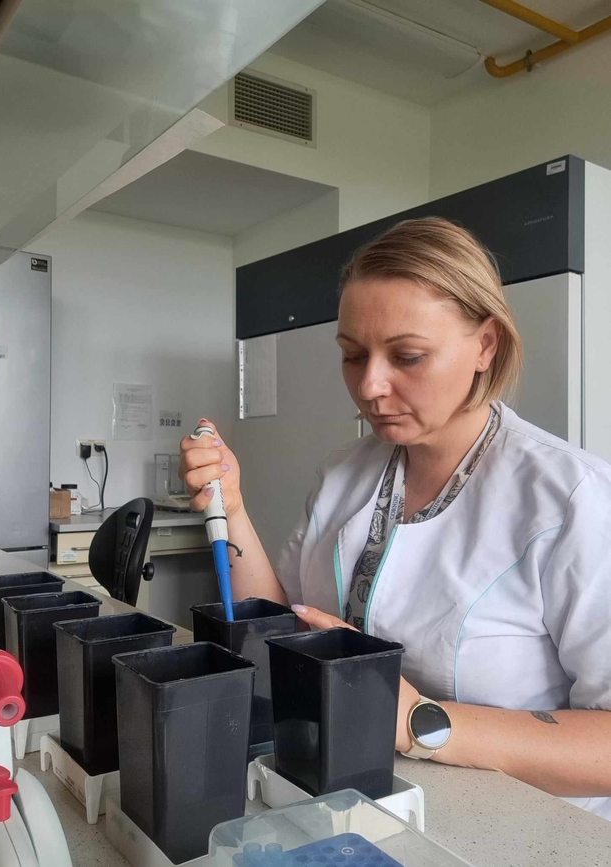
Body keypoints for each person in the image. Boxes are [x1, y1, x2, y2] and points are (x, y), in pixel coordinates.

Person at [180, 217, 611, 819]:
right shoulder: (345, 473)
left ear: (485, 344)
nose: (371, 386)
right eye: (353, 356)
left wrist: (413, 720)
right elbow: (285, 625)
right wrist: (233, 508)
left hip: (517, 832)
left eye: (408, 356)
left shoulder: (572, 499)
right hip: (354, 804)